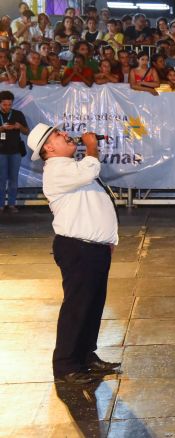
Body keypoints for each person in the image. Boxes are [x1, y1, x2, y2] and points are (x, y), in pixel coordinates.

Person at [26, 124, 120, 384]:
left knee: (92, 305)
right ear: (48, 147)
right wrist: (91, 146)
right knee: (77, 307)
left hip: (93, 248)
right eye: (58, 134)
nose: (67, 135)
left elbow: (92, 205)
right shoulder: (57, 170)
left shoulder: (70, 169)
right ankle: (66, 365)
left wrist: (107, 240)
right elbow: (90, 168)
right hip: (78, 248)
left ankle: (86, 355)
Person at [0, 91, 28, 213]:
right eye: (4, 105)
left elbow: (27, 131)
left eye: (9, 105)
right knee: (1, 179)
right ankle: (0, 205)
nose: (7, 107)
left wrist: (19, 127)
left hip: (16, 151)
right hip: (1, 152)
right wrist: (1, 128)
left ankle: (11, 204)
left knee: (13, 179)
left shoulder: (18, 114)